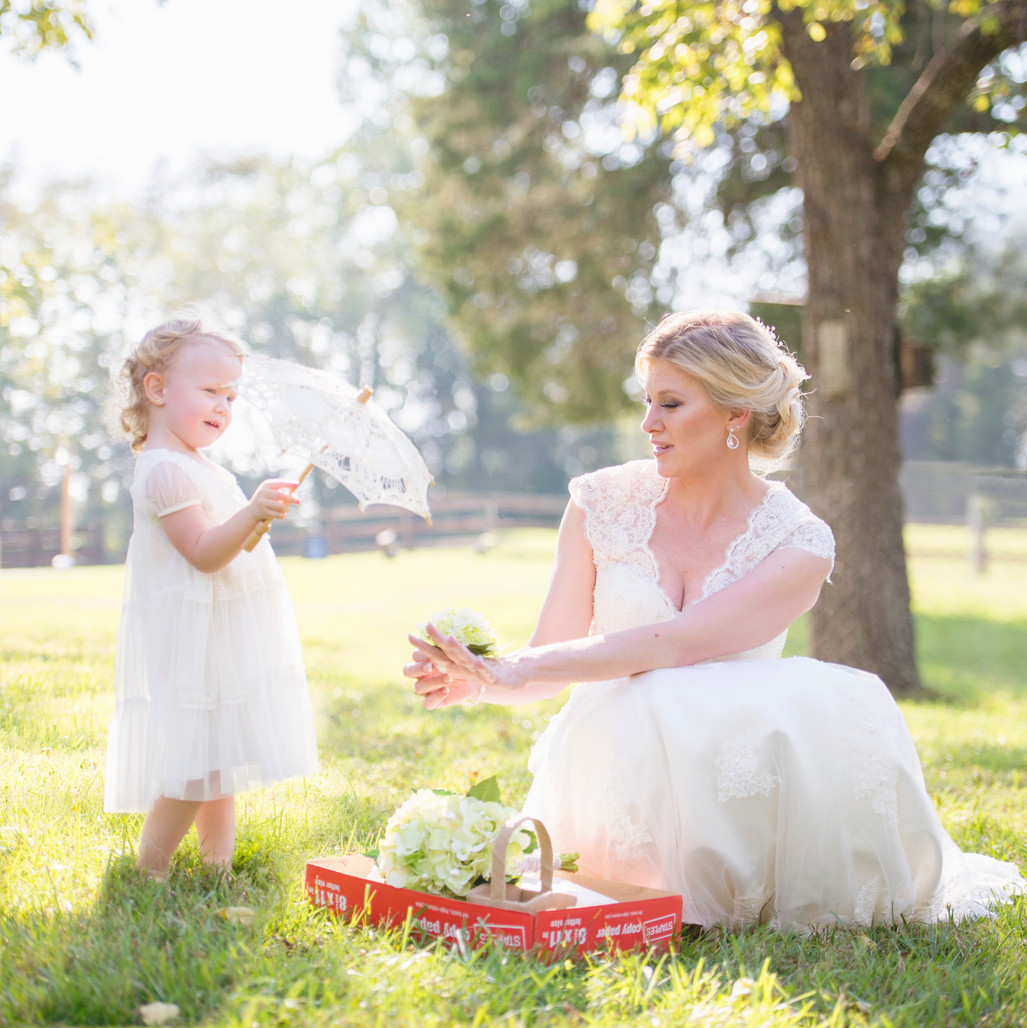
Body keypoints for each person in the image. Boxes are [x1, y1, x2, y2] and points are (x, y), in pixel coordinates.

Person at [406, 310, 1024, 931]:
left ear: (736, 414)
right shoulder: (600, 504)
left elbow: (676, 644)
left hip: (736, 798)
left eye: (672, 404)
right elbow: (550, 658)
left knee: (726, 693)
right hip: (613, 781)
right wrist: (482, 680)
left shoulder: (800, 542)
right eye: (648, 401)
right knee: (637, 707)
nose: (649, 423)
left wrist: (518, 667)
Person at [104, 318, 319, 878]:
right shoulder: (162, 470)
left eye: (231, 396)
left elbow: (226, 547)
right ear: (156, 389)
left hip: (217, 631)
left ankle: (216, 867)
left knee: (219, 755)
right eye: (211, 391)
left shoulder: (199, 465)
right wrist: (250, 512)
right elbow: (201, 552)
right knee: (194, 764)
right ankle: (150, 870)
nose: (223, 406)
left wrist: (255, 519)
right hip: (189, 635)